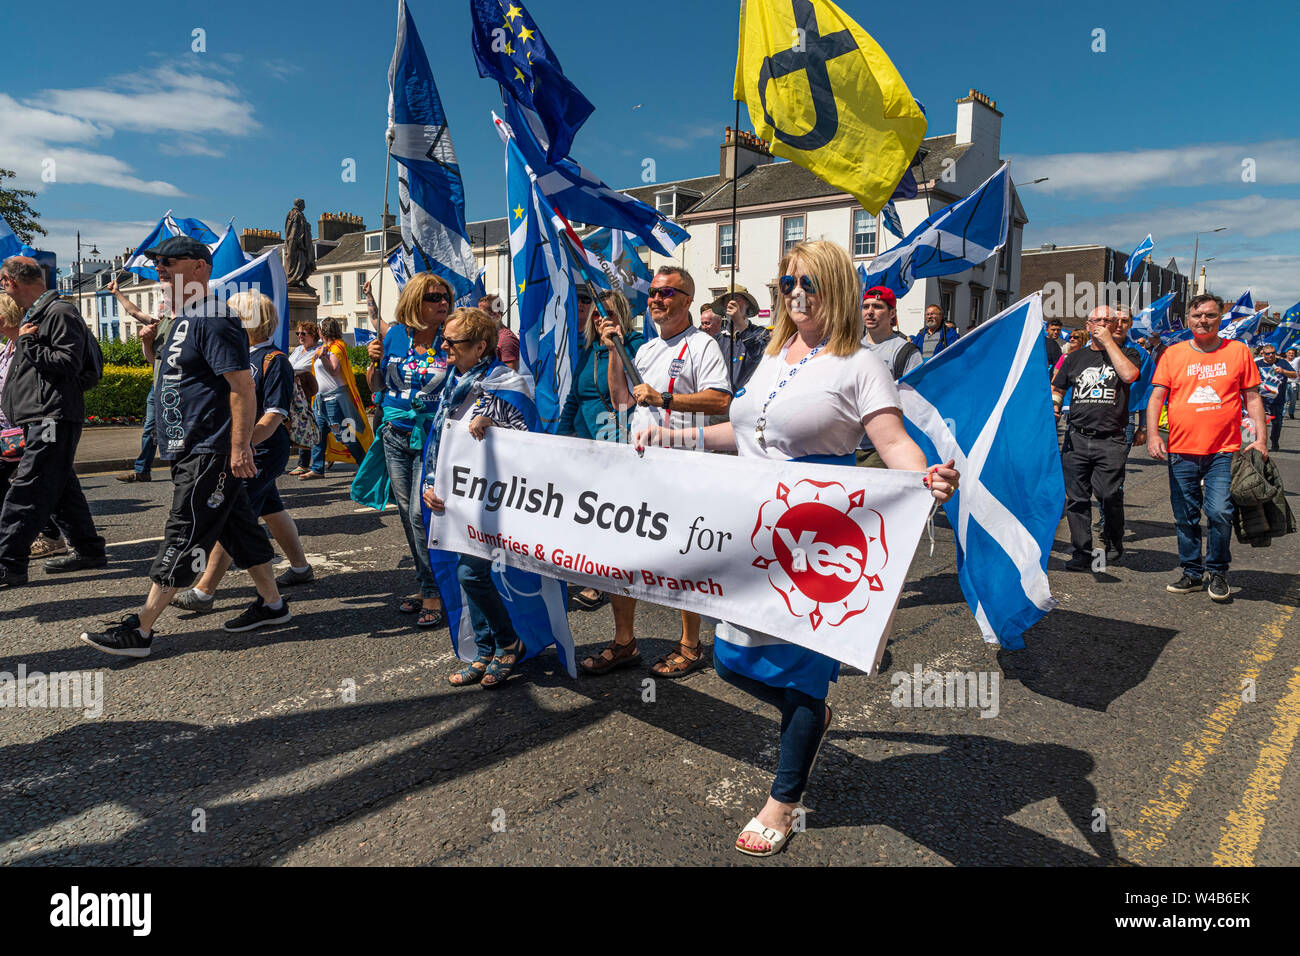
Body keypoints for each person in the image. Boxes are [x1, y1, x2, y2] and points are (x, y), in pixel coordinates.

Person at [635, 239, 958, 857]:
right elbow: (745, 432)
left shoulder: (860, 363)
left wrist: (925, 478)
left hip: (819, 535)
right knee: (730, 660)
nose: (797, 294)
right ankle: (810, 719)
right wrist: (676, 436)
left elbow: (892, 442)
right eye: (788, 284)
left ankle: (784, 799)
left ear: (836, 287)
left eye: (810, 282)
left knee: (802, 677)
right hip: (754, 529)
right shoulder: (771, 354)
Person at [79, 236, 291, 654]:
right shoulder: (183, 319)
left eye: (170, 261)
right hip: (186, 446)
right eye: (158, 262)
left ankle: (141, 629)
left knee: (185, 530)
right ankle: (272, 604)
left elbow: (242, 386)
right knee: (238, 529)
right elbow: (172, 374)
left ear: (200, 268)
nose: (160, 268)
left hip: (209, 449)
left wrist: (238, 447)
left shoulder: (215, 318)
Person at [579, 265, 731, 678]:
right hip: (639, 465)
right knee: (621, 552)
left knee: (683, 556)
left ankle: (690, 645)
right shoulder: (645, 350)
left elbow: (720, 401)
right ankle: (625, 641)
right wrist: (615, 349)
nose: (657, 299)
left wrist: (665, 399)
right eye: (654, 293)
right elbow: (621, 400)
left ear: (688, 300)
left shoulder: (702, 345)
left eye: (667, 293)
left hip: (684, 467)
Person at [171, 291, 315, 611]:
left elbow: (274, 414)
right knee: (271, 508)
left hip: (261, 450)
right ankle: (300, 568)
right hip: (248, 449)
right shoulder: (238, 355)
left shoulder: (274, 360)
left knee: (232, 516)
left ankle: (205, 590)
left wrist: (244, 444)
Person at [421, 308, 534, 687]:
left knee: (471, 573)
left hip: (494, 498)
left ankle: (508, 643)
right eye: (444, 339)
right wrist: (432, 482)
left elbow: (529, 435)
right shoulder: (453, 381)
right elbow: (441, 440)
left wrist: (495, 422)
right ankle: (485, 651)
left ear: (481, 346)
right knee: (468, 573)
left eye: (452, 341)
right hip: (457, 496)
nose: (444, 346)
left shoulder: (506, 383)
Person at [1146, 294, 1266, 602]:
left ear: (1220, 319)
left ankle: (1218, 571)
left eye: (1210, 315)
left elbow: (1253, 397)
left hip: (1223, 451)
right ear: (1188, 319)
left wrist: (1261, 439)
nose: (1203, 320)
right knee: (1185, 516)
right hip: (1181, 450)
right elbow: (1157, 398)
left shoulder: (1238, 351)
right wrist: (1153, 436)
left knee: (1220, 512)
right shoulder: (1173, 354)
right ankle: (1192, 573)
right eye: (1197, 315)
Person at [0, 257, 107, 590]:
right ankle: (88, 550)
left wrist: (27, 342)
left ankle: (8, 565)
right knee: (61, 490)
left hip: (50, 417)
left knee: (28, 489)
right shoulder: (38, 315)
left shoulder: (58, 312)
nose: (3, 289)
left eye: (3, 282)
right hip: (42, 416)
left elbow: (68, 362)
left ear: (12, 281)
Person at [362, 272, 451, 628]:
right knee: (405, 515)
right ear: (415, 302)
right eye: (433, 297)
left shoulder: (451, 335)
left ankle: (433, 591)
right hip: (394, 434)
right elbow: (378, 386)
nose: (442, 303)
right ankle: (427, 582)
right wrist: (372, 361)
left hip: (433, 438)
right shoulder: (396, 334)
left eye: (445, 297)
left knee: (419, 514)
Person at [557, 289, 646, 612]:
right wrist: (558, 440)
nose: (599, 319)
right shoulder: (587, 351)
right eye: (596, 314)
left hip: (619, 444)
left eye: (606, 313)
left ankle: (607, 581)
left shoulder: (635, 345)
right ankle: (599, 576)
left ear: (620, 315)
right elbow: (573, 399)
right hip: (588, 446)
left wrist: (616, 347)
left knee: (613, 516)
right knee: (590, 515)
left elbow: (631, 399)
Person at [1052, 306, 1140, 570]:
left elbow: (1129, 375)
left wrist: (1109, 343)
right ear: (1088, 326)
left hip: (1110, 439)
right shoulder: (1074, 358)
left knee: (1109, 494)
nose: (1102, 323)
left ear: (1115, 325)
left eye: (1108, 320)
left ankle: (1113, 538)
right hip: (1077, 437)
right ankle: (1082, 551)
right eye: (1097, 320)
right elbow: (1058, 387)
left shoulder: (1128, 353)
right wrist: (1055, 405)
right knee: (1077, 498)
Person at [0, 292, 66, 560]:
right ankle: (76, 541)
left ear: (3, 318)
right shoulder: (7, 347)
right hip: (9, 430)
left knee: (40, 482)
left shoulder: (27, 345)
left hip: (32, 426)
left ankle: (42, 538)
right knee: (53, 484)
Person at [111, 277, 168, 484]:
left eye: (162, 311)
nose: (158, 314)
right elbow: (133, 311)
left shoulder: (177, 328)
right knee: (150, 430)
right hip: (156, 387)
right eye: (158, 312)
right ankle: (142, 470)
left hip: (173, 388)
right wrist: (117, 293)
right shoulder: (154, 327)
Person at [857, 285, 920, 467]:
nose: (870, 312)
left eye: (877, 307)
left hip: (881, 448)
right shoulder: (850, 348)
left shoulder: (906, 352)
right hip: (848, 445)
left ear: (892, 313)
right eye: (866, 306)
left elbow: (914, 403)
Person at [300, 317, 368, 479]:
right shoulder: (326, 348)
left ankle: (364, 465)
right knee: (318, 434)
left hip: (334, 400)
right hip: (321, 399)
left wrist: (323, 356)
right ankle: (317, 469)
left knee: (344, 434)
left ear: (322, 331)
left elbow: (334, 370)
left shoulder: (336, 348)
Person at [711, 285, 771, 392]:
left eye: (736, 299)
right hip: (723, 398)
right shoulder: (718, 339)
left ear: (747, 304)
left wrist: (739, 323)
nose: (731, 303)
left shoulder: (761, 333)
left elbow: (758, 354)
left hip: (750, 398)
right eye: (727, 300)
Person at [287, 322, 320, 475]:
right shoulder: (298, 350)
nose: (300, 336)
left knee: (304, 425)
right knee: (299, 424)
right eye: (298, 333)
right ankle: (305, 463)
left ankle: (304, 464)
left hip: (308, 393)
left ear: (313, 336)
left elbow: (306, 369)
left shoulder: (317, 351)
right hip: (294, 392)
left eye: (303, 334)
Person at [1254, 343, 1295, 451]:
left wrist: (1283, 371)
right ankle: (1259, 443)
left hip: (1277, 399)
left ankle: (1274, 442)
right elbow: (1249, 377)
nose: (1271, 355)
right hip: (1262, 399)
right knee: (1260, 422)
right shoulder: (1257, 364)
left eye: (1273, 353)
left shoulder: (1282, 363)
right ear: (1263, 354)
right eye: (1268, 354)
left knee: (1277, 423)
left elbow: (1294, 375)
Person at [479, 293, 521, 372]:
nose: (478, 318)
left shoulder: (507, 340)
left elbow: (510, 375)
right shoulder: (488, 335)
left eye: (482, 315)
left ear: (496, 315)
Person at [1285, 348, 1298, 419]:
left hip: (1294, 383)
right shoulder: (1283, 361)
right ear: (1286, 353)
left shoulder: (1297, 360)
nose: (1291, 354)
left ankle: (1291, 413)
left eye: (1292, 353)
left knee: (1293, 400)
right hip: (1285, 383)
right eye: (1289, 353)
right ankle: (1282, 413)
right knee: (1285, 399)